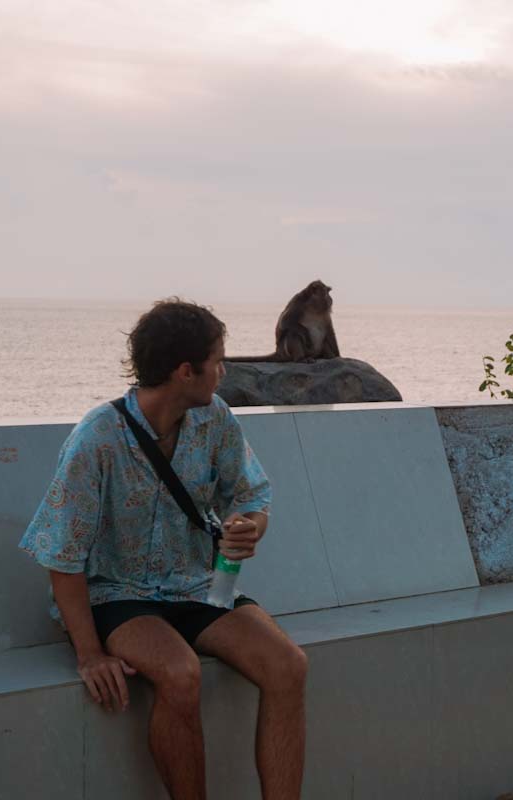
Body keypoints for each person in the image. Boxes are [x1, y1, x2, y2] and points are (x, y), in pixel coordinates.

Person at [19, 298, 306, 800]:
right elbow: (62, 556)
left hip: (198, 584)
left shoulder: (214, 418)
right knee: (179, 674)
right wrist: (88, 654)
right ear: (184, 371)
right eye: (217, 360)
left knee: (288, 666)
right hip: (119, 594)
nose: (223, 371)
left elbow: (254, 492)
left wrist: (250, 526)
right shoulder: (97, 439)